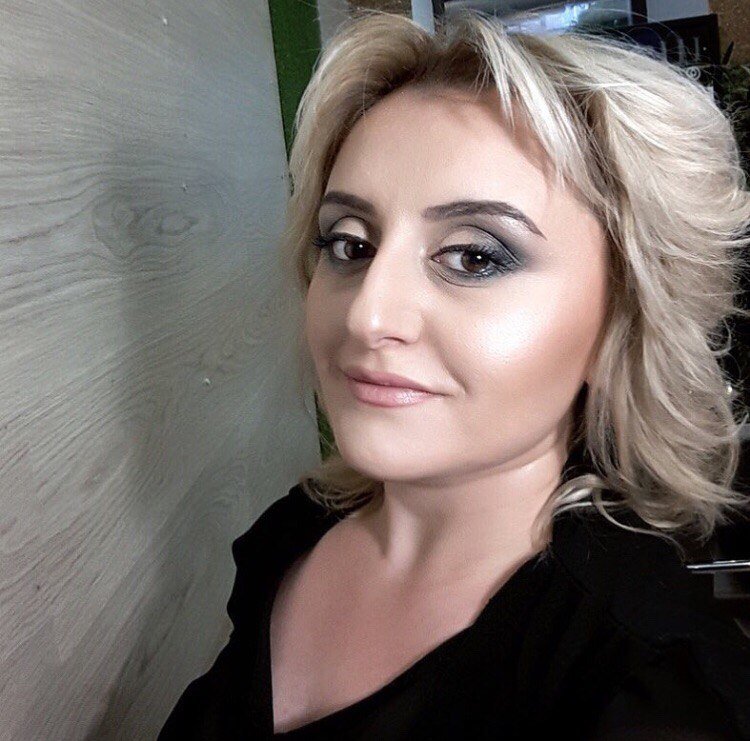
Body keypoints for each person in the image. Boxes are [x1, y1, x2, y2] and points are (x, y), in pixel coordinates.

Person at [159, 9, 750, 739]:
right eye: (349, 245)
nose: (367, 315)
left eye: (474, 257)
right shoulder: (295, 531)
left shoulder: (644, 686)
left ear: (620, 325)